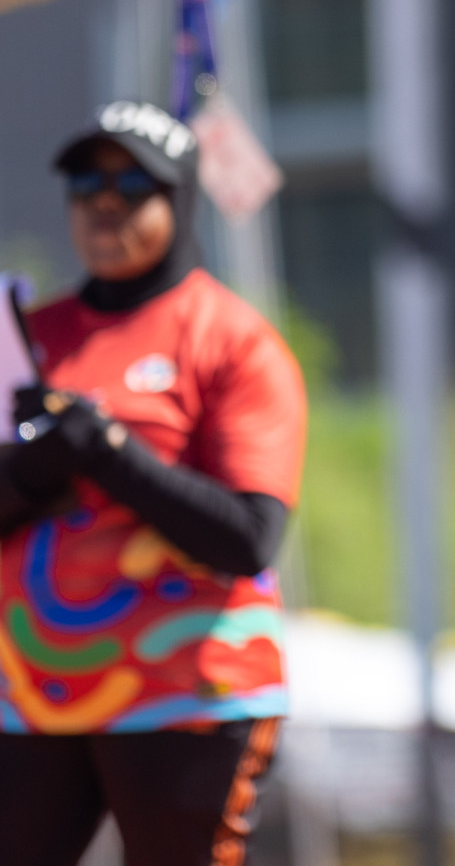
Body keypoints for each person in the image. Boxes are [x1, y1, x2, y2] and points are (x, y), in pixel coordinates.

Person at [0, 100, 307, 866]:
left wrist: (108, 450)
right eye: (85, 181)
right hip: (33, 694)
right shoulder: (30, 336)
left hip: (188, 693)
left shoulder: (233, 340)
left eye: (133, 182)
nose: (104, 201)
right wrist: (38, 468)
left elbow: (247, 538)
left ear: (181, 199)